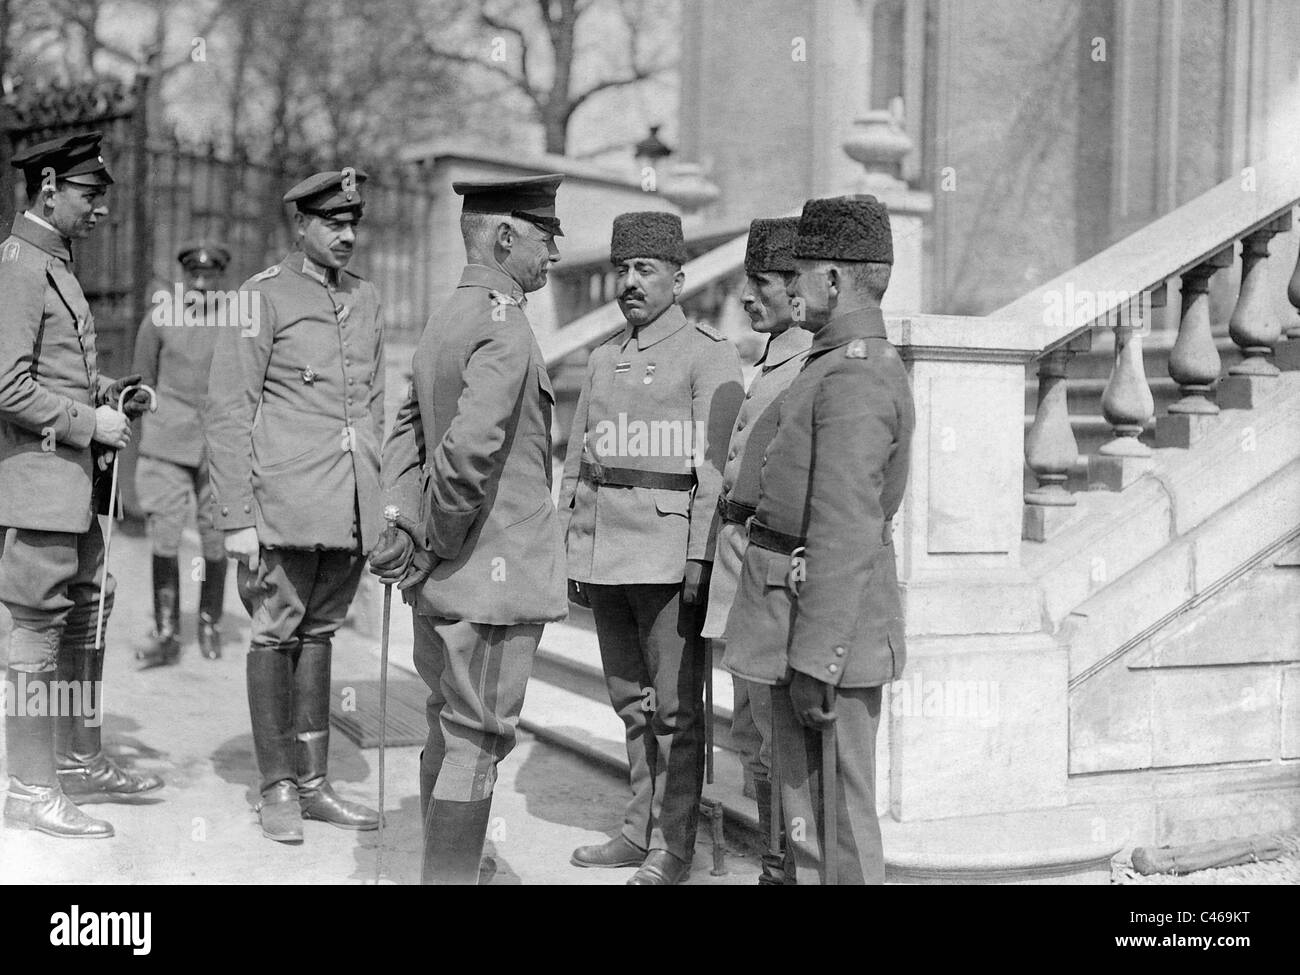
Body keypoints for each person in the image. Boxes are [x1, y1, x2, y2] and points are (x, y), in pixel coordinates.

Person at [370, 174, 569, 885]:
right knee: (476, 739)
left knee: (448, 725)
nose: (554, 254)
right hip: (487, 575)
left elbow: (405, 432)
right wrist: (433, 541)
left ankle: (453, 869)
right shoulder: (504, 323)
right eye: (546, 238)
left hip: (449, 576)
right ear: (506, 236)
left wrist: (402, 523)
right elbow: (465, 455)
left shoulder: (447, 316)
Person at [724, 195, 914, 884]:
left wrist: (818, 659)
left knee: (835, 832)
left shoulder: (854, 372)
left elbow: (845, 527)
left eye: (801, 272)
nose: (792, 284)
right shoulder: (833, 361)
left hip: (820, 628)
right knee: (807, 828)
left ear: (833, 280)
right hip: (795, 618)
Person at [560, 211, 744, 885]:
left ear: (677, 277)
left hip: (668, 554)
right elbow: (580, 459)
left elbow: (714, 469)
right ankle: (636, 830)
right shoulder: (604, 356)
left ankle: (675, 847)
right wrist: (571, 549)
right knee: (628, 697)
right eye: (623, 270)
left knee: (674, 708)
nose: (630, 283)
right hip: (608, 549)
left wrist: (698, 555)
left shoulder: (707, 352)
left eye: (645, 270)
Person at [205, 169, 383, 843]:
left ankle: (314, 783)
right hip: (282, 504)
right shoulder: (263, 297)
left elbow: (372, 408)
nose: (346, 234)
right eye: (333, 223)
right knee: (275, 629)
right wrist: (237, 519)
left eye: (353, 223)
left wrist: (381, 505)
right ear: (300, 226)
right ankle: (276, 783)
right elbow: (228, 411)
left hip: (345, 506)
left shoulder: (365, 299)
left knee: (320, 630)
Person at [0, 132, 160, 838]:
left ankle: (77, 758)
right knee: (36, 631)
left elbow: (53, 369)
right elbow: (7, 384)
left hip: (69, 485)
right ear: (47, 187)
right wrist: (87, 423)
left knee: (89, 607)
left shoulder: (51, 262)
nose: (100, 211)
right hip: (39, 482)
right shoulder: (20, 267)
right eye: (90, 196)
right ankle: (30, 789)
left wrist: (111, 391)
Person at [701, 216, 810, 885]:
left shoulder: (807, 365)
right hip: (739, 565)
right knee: (749, 730)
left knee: (775, 733)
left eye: (761, 283)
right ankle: (777, 863)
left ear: (795, 289)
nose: (747, 296)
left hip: (773, 571)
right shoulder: (768, 357)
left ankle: (784, 867)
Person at [132, 240, 233, 665]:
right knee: (166, 534)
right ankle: (168, 630)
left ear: (220, 281)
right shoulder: (159, 320)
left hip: (217, 446)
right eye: (194, 277)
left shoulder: (236, 324)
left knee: (216, 536)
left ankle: (210, 623)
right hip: (168, 443)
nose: (201, 285)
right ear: (183, 278)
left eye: (209, 278)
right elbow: (143, 381)